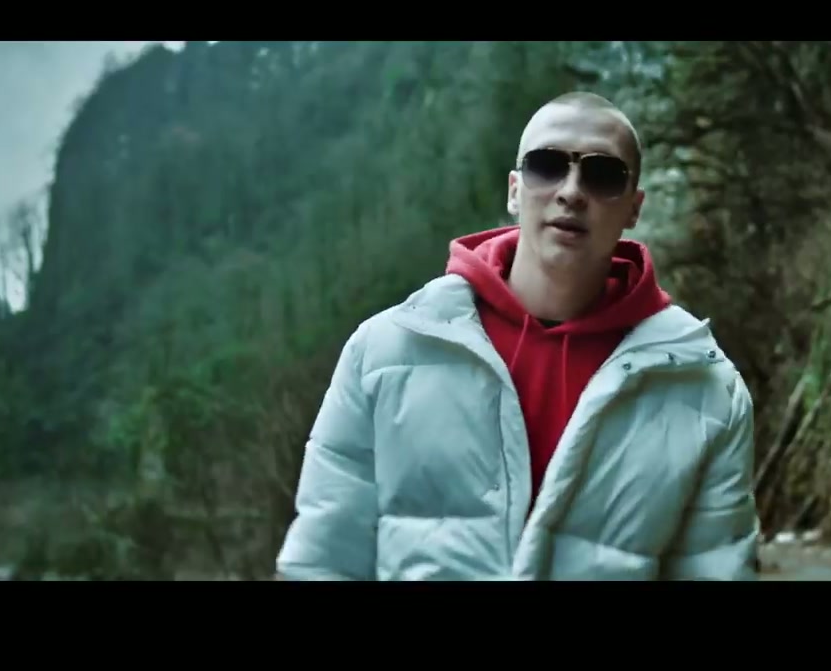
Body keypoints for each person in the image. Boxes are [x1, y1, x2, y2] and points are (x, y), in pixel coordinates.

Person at [274, 91, 759, 581]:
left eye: (602, 175)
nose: (571, 191)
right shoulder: (385, 352)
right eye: (547, 166)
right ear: (514, 190)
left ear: (634, 208)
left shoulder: (704, 389)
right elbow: (324, 558)